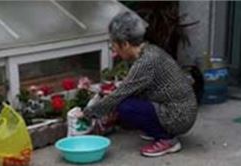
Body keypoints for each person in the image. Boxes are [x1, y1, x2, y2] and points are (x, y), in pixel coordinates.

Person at [83, 11, 198, 158]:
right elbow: (130, 87)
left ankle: (167, 139)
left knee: (126, 107)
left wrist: (88, 113)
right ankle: (156, 129)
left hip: (179, 116)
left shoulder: (146, 62)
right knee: (126, 101)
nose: (113, 49)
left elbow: (120, 94)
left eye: (114, 44)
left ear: (125, 44)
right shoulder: (150, 51)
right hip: (181, 109)